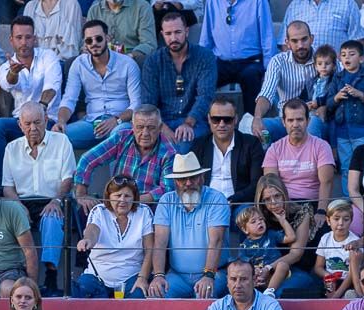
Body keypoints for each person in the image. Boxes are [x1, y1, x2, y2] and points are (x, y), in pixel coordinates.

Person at [1, 103, 76, 279]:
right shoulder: (11, 148)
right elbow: (7, 187)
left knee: (52, 217)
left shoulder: (62, 142)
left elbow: (68, 179)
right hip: (22, 201)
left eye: (37, 122)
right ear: (20, 125)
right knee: (12, 216)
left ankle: (51, 275)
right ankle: (14, 275)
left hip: (54, 198)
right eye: (27, 124)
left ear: (46, 120)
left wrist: (56, 201)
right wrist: (18, 206)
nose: (33, 128)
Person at [143, 153, 230, 298]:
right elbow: (159, 242)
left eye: (193, 177)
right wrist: (158, 275)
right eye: (183, 179)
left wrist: (209, 275)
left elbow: (216, 241)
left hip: (215, 273)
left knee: (203, 294)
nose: (188, 183)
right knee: (157, 294)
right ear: (176, 181)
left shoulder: (217, 198)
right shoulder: (166, 201)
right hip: (177, 275)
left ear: (201, 178)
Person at [0, 17, 64, 182]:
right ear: (11, 40)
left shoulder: (48, 56)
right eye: (19, 37)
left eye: (28, 37)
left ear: (35, 38)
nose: (24, 42)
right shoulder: (6, 66)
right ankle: (3, 183)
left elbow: (52, 86)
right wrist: (14, 72)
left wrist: (41, 109)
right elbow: (7, 83)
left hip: (48, 119)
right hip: (20, 122)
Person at [56, 19, 142, 151]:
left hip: (121, 123)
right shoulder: (79, 64)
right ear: (85, 43)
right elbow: (69, 100)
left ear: (107, 38)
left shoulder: (127, 64)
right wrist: (61, 121)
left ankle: (117, 172)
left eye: (98, 39)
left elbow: (136, 104)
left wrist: (116, 120)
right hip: (91, 123)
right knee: (56, 138)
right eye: (89, 40)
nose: (94, 43)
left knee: (119, 136)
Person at [140, 12, 217, 154]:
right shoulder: (153, 61)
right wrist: (161, 127)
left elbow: (205, 96)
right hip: (162, 120)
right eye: (168, 34)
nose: (173, 38)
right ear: (162, 34)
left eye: (178, 32)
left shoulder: (205, 57)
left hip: (195, 120)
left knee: (181, 145)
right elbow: (148, 102)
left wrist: (189, 122)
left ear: (186, 32)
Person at [73, 105, 177, 208]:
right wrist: (81, 194)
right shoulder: (121, 137)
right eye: (140, 127)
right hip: (117, 203)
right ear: (132, 126)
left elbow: (167, 189)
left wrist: (132, 201)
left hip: (148, 208)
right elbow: (87, 159)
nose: (145, 133)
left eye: (151, 128)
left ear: (160, 128)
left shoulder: (169, 152)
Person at [74, 175, 156, 297]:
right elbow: (92, 230)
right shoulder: (99, 211)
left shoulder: (143, 211)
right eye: (118, 196)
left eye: (127, 196)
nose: (122, 200)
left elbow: (150, 250)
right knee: (82, 289)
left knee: (139, 294)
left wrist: (143, 278)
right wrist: (87, 240)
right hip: (97, 278)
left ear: (135, 198)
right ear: (108, 197)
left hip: (132, 278)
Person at [250, 21, 325, 143]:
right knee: (261, 129)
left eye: (304, 39)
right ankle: (269, 162)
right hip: (285, 121)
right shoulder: (278, 61)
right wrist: (257, 118)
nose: (300, 45)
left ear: (312, 39)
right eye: (294, 41)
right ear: (287, 43)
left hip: (314, 117)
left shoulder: (324, 59)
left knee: (313, 124)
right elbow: (266, 94)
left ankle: (309, 160)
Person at [191, 97, 266, 214]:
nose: (221, 124)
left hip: (240, 204)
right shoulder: (199, 145)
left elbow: (257, 182)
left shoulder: (251, 144)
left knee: (250, 217)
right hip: (206, 205)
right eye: (216, 119)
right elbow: (192, 181)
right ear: (209, 119)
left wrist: (233, 200)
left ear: (236, 119)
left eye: (227, 120)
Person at [262, 99, 335, 219]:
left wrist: (321, 212)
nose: (295, 125)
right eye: (290, 120)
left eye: (300, 119)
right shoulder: (274, 149)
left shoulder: (321, 146)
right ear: (283, 122)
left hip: (313, 204)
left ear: (308, 121)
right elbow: (271, 184)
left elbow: (326, 183)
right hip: (283, 205)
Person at [326, 39, 364, 185]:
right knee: (346, 167)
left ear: (361, 58)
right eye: (343, 55)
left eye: (351, 54)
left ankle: (363, 200)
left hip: (363, 130)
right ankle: (347, 201)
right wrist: (337, 97)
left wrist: (360, 94)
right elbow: (328, 103)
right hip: (342, 131)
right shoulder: (337, 78)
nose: (347, 58)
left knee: (363, 166)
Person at [200, 0, 275, 105]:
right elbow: (206, 38)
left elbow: (267, 36)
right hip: (222, 62)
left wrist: (269, 71)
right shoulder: (212, 2)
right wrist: (200, 65)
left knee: (251, 78)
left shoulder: (259, 2)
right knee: (203, 80)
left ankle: (251, 120)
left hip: (251, 62)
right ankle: (203, 120)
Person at [254, 174, 318, 296]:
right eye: (267, 199)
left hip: (296, 269)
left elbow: (296, 254)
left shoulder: (301, 212)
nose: (274, 202)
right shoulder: (259, 218)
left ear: (284, 193)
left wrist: (268, 268)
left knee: (279, 293)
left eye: (277, 196)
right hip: (266, 270)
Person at [314, 199, 363, 299]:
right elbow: (318, 267)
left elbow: (352, 274)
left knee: (348, 295)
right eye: (336, 219)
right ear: (328, 220)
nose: (341, 223)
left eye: (346, 219)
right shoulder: (325, 238)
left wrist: (337, 295)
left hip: (348, 282)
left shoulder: (355, 241)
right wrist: (328, 277)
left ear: (351, 221)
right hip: (329, 280)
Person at [87, 0, 158, 66]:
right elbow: (87, 43)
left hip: (132, 61)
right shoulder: (94, 10)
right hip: (101, 61)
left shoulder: (142, 7)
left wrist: (130, 56)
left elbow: (149, 44)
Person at [282, 0, 364, 53]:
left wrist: (342, 61)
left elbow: (359, 39)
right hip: (302, 72)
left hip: (337, 71)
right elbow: (284, 43)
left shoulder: (347, 3)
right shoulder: (294, 5)